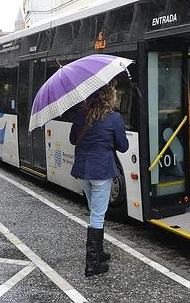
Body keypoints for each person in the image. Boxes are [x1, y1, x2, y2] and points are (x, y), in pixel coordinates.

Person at [69, 81, 129, 277]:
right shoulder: (114, 118)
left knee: (95, 210)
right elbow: (123, 147)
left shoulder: (80, 116)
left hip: (82, 171)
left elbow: (72, 139)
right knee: (97, 214)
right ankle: (92, 263)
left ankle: (99, 252)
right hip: (101, 171)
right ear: (109, 97)